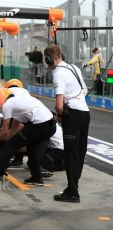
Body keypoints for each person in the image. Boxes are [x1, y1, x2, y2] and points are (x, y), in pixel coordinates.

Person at [44, 45, 90, 203]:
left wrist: (59, 116)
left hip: (73, 115)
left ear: (49, 59)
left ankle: (72, 193)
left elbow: (58, 105)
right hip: (85, 113)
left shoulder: (58, 74)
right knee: (79, 153)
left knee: (70, 154)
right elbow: (84, 91)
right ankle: (72, 188)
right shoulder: (74, 68)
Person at [0, 88, 56, 186]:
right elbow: (14, 127)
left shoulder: (8, 105)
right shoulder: (19, 103)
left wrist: (0, 141)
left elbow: (5, 130)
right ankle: (37, 177)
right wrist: (7, 139)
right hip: (50, 125)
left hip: (40, 124)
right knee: (32, 148)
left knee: (10, 147)